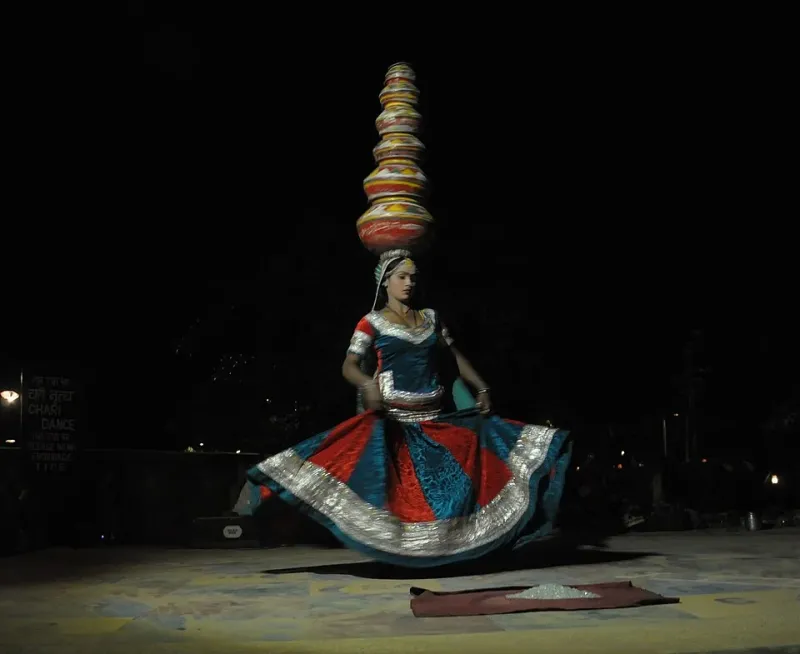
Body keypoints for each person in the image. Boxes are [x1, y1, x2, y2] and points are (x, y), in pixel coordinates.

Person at [234, 249, 572, 567]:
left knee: (456, 483)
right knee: (401, 497)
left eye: (413, 277)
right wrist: (367, 384)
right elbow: (349, 365)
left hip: (436, 419)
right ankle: (404, 557)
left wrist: (481, 387)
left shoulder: (431, 319)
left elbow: (454, 358)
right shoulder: (372, 322)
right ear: (386, 282)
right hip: (395, 421)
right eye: (402, 277)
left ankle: (455, 552)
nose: (409, 282)